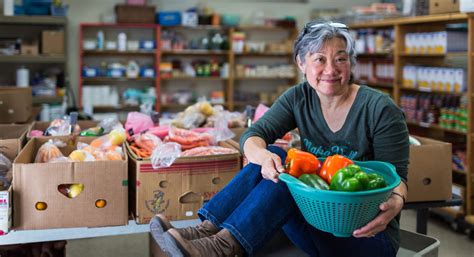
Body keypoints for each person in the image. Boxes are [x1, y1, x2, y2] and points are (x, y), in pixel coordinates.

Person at [150, 21, 409, 257]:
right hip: (316, 226)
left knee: (289, 175)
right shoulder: (299, 97)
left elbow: (397, 180)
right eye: (319, 59)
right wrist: (263, 158)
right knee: (276, 157)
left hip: (365, 236)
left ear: (351, 64)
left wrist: (395, 203)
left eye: (340, 59)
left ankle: (222, 248)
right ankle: (207, 231)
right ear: (301, 63)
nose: (330, 70)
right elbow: (253, 135)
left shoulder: (379, 109)